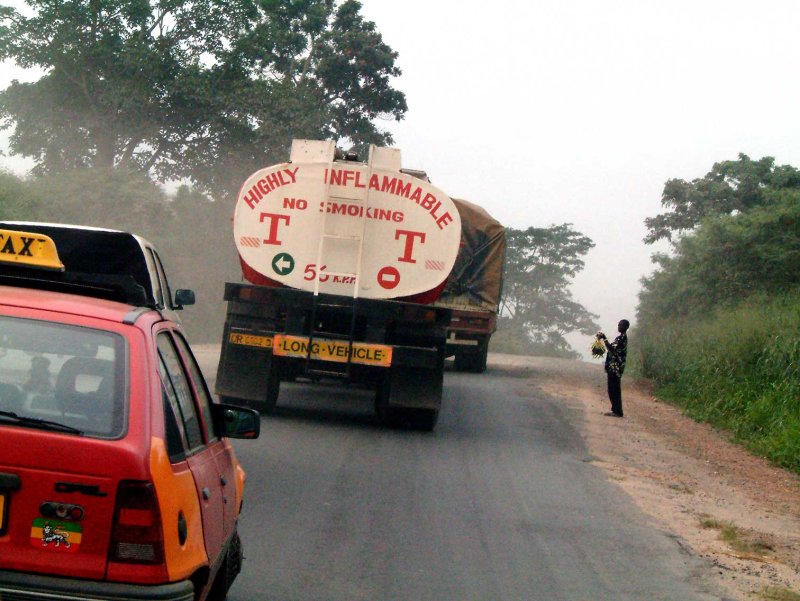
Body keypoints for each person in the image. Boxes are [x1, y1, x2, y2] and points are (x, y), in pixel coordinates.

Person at [597, 319, 629, 418]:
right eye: (618, 325)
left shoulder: (622, 338)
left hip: (615, 367)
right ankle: (616, 410)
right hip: (615, 367)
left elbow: (612, 349)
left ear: (625, 327)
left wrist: (604, 338)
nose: (618, 327)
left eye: (620, 325)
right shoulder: (621, 338)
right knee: (614, 389)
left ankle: (617, 411)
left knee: (613, 389)